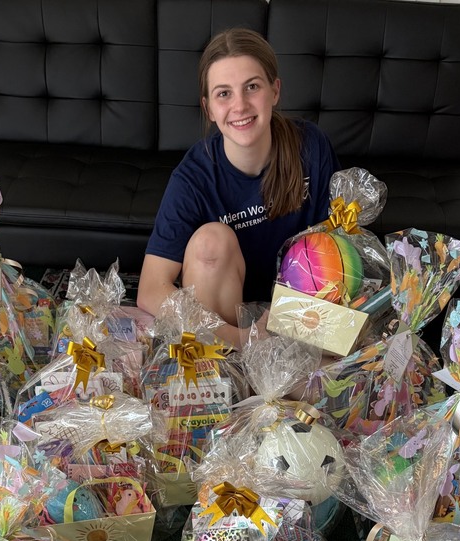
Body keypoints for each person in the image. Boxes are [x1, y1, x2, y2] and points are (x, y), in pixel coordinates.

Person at [136, 28, 339, 347]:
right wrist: (243, 339)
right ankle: (229, 369)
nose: (240, 105)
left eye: (252, 87)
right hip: (228, 324)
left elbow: (336, 248)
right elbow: (150, 289)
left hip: (299, 309)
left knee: (349, 375)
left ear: (275, 91)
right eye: (224, 93)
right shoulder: (193, 177)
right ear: (209, 108)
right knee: (210, 242)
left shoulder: (310, 146)